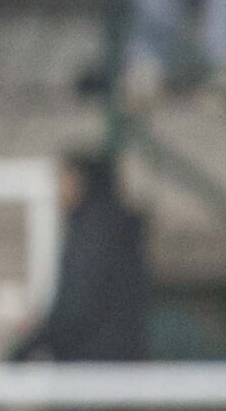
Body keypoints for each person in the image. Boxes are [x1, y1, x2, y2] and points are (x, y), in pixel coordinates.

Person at [10, 150, 151, 364]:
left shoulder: (94, 234)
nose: (59, 190)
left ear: (79, 181)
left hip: (95, 363)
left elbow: (78, 306)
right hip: (114, 359)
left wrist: (30, 345)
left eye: (64, 180)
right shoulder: (109, 228)